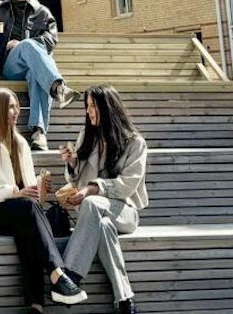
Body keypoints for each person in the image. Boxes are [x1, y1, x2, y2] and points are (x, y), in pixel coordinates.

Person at [0, 88, 88, 311]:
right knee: (28, 215)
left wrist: (41, 188)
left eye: (16, 106)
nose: (17, 112)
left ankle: (36, 306)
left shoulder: (21, 143)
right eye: (10, 107)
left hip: (23, 212)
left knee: (33, 229)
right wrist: (12, 191)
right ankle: (58, 275)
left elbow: (33, 196)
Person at [59, 85, 148, 314]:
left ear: (107, 108)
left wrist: (92, 189)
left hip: (124, 213)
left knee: (92, 203)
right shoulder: (86, 136)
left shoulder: (135, 142)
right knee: (104, 226)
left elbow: (128, 184)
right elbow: (76, 180)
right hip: (95, 215)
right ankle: (125, 299)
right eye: (87, 106)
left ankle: (70, 275)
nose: (88, 111)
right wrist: (72, 164)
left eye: (93, 106)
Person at [0, 0, 75, 150]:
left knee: (36, 74)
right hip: (10, 66)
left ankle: (39, 133)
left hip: (34, 68)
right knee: (28, 46)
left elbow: (51, 40)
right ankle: (59, 88)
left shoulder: (42, 12)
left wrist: (22, 44)